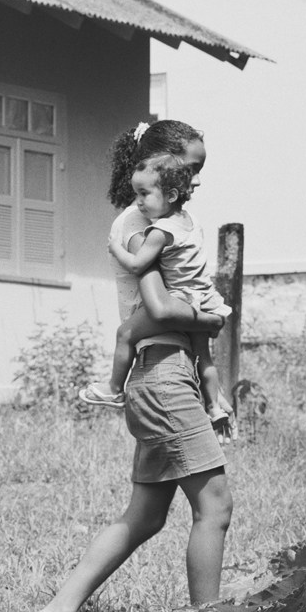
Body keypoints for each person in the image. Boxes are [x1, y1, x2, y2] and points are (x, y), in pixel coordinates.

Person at [34, 121, 230, 612]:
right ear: (162, 162)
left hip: (163, 373)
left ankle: (59, 609)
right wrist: (210, 321)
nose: (194, 179)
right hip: (162, 375)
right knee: (215, 507)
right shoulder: (144, 223)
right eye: (189, 167)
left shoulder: (167, 218)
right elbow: (162, 308)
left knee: (145, 515)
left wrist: (210, 377)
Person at [82, 153, 229, 424]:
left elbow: (138, 266)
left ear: (171, 195)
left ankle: (114, 389)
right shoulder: (191, 221)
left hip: (179, 298)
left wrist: (116, 247)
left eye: (144, 194)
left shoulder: (160, 231)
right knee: (204, 356)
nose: (138, 202)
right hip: (203, 297)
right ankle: (214, 407)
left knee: (125, 334)